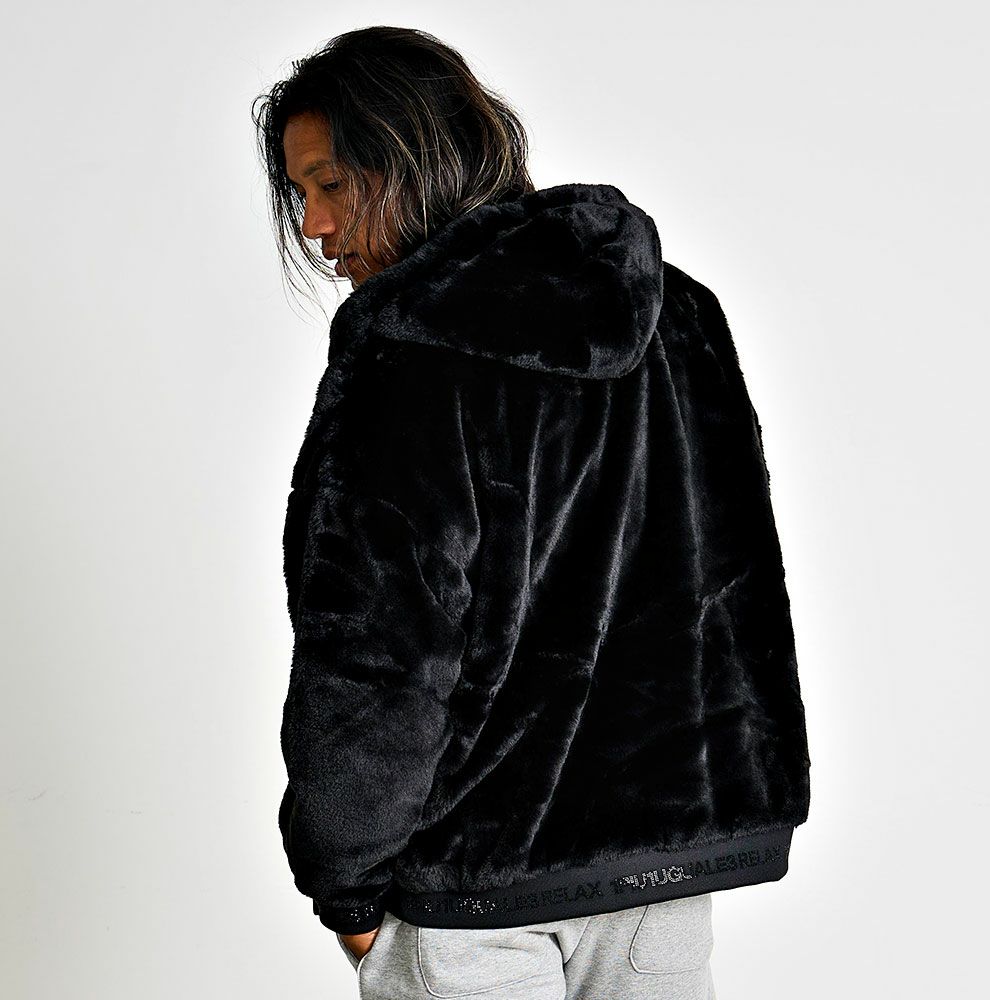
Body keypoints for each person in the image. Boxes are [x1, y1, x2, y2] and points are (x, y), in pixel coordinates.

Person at [253, 24, 811, 1000]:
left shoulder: (402, 348)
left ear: (420, 157)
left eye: (330, 184)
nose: (314, 225)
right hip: (660, 876)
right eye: (300, 194)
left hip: (468, 887)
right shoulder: (683, 315)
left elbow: (377, 652)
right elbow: (734, 583)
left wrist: (344, 884)